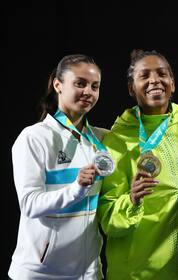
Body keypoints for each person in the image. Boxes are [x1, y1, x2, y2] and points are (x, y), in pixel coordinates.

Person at [98, 49, 178, 279]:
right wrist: (131, 200)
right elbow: (107, 220)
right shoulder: (116, 140)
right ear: (131, 88)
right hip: (135, 271)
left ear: (173, 83)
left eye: (161, 73)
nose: (154, 80)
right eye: (144, 76)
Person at [8, 54, 107, 279]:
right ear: (58, 85)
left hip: (89, 273)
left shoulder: (102, 139)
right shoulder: (34, 137)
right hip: (40, 273)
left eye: (95, 86)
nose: (88, 92)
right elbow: (29, 204)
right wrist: (77, 188)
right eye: (80, 83)